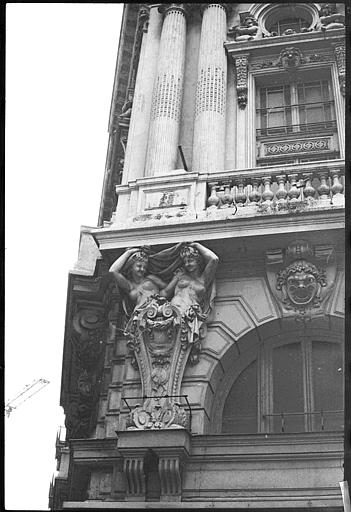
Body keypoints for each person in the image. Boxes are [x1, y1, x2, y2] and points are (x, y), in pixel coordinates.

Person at [161, 242, 219, 315]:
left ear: (198, 261)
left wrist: (196, 245)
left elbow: (214, 259)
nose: (187, 264)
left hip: (192, 314)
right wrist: (176, 278)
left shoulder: (204, 280)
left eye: (190, 261)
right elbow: (164, 293)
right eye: (185, 262)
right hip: (175, 310)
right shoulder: (181, 276)